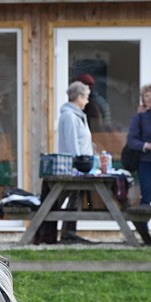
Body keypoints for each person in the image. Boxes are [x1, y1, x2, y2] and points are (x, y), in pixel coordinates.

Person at [54, 80, 96, 243]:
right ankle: (65, 232)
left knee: (75, 199)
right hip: (74, 167)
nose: (87, 101)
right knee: (68, 198)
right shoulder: (70, 116)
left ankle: (69, 232)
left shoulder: (78, 115)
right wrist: (78, 163)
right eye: (85, 97)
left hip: (81, 166)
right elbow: (72, 143)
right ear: (78, 97)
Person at [126, 83, 151, 206]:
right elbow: (131, 141)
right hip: (147, 162)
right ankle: (142, 225)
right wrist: (149, 145)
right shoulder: (139, 118)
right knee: (147, 194)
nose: (150, 98)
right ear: (143, 99)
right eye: (147, 96)